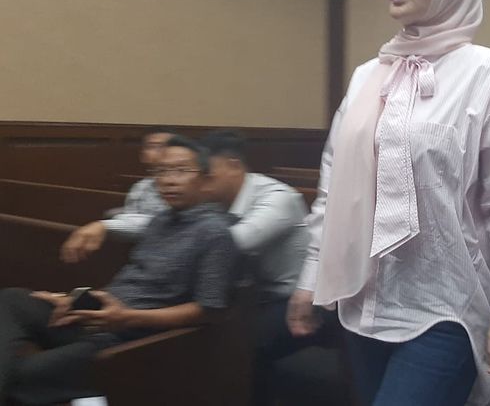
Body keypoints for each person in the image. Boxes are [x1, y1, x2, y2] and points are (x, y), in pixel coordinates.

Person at [286, 0, 490, 406]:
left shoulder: (489, 72)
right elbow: (334, 188)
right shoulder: (367, 76)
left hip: (445, 303)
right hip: (361, 300)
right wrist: (311, 278)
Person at [0, 136, 240, 405]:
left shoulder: (215, 234)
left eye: (181, 170)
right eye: (161, 171)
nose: (168, 180)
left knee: (20, 376)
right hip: (102, 317)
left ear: (206, 180)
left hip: (136, 340)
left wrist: (128, 318)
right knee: (12, 299)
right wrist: (74, 300)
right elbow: (134, 282)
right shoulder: (161, 221)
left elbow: (209, 310)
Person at [198, 131, 327, 405]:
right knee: (204, 335)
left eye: (208, 175)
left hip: (298, 300)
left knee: (241, 345)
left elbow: (233, 244)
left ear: (234, 166)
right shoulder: (218, 202)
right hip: (254, 296)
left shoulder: (277, 197)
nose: (202, 183)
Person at [60, 126, 174, 263]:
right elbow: (133, 216)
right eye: (154, 146)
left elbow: (166, 222)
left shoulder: (182, 186)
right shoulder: (141, 186)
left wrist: (105, 225)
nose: (163, 151)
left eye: (168, 146)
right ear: (143, 155)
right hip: (140, 253)